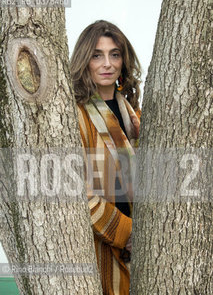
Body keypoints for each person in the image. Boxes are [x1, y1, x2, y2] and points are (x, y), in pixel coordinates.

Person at [70, 20, 141, 295]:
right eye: (97, 55)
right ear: (84, 60)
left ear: (123, 60)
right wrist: (128, 233)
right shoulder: (76, 115)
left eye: (115, 54)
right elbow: (77, 192)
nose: (107, 63)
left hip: (143, 254)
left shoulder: (134, 114)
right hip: (103, 244)